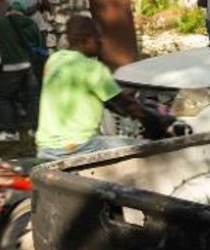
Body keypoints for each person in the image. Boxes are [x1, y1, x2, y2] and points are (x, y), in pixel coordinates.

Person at [36, 16, 175, 160]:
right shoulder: (92, 69)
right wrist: (157, 122)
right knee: (150, 150)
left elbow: (90, 93)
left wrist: (119, 94)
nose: (101, 43)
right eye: (98, 39)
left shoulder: (55, 60)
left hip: (46, 148)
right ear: (88, 40)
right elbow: (126, 106)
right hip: (80, 147)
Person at [0, 5, 43, 142]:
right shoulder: (31, 23)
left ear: (8, 12)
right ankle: (37, 130)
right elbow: (38, 43)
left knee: (2, 96)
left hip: (12, 66)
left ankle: (10, 132)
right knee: (33, 98)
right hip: (30, 65)